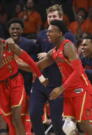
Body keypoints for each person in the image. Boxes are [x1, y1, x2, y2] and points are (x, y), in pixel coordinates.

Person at [29, 4, 76, 135]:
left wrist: (49, 55)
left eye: (55, 16)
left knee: (56, 120)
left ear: (61, 17)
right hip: (41, 80)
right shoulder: (41, 35)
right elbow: (35, 54)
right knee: (34, 114)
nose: (51, 18)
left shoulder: (69, 36)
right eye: (49, 16)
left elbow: (66, 58)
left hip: (58, 82)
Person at [40, 20, 92, 135]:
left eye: (51, 31)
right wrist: (18, 58)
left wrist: (60, 89)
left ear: (59, 33)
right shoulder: (53, 52)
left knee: (84, 124)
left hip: (81, 89)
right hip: (68, 91)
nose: (47, 34)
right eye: (47, 32)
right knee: (69, 128)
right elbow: (37, 66)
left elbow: (78, 71)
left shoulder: (68, 46)